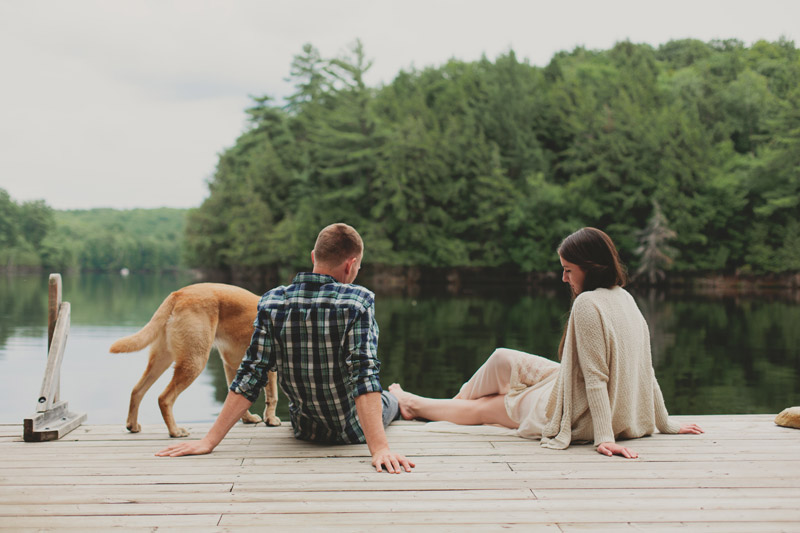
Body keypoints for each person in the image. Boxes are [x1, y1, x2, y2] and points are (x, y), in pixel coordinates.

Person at [389, 227, 703, 458]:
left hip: (577, 413)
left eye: (568, 271)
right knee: (501, 358)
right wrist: (665, 423)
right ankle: (449, 406)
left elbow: (598, 379)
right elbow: (646, 370)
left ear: (590, 269)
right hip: (571, 387)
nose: (564, 279)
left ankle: (415, 405)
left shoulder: (588, 304)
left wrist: (605, 437)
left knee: (485, 409)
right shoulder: (626, 299)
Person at [157, 223, 414, 473]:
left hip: (306, 429)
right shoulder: (359, 301)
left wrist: (208, 441)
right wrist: (380, 449)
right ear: (352, 264)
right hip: (354, 431)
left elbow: (251, 374)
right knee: (388, 400)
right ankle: (404, 400)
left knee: (383, 397)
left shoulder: (272, 302)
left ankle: (403, 399)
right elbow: (364, 375)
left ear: (314, 256)